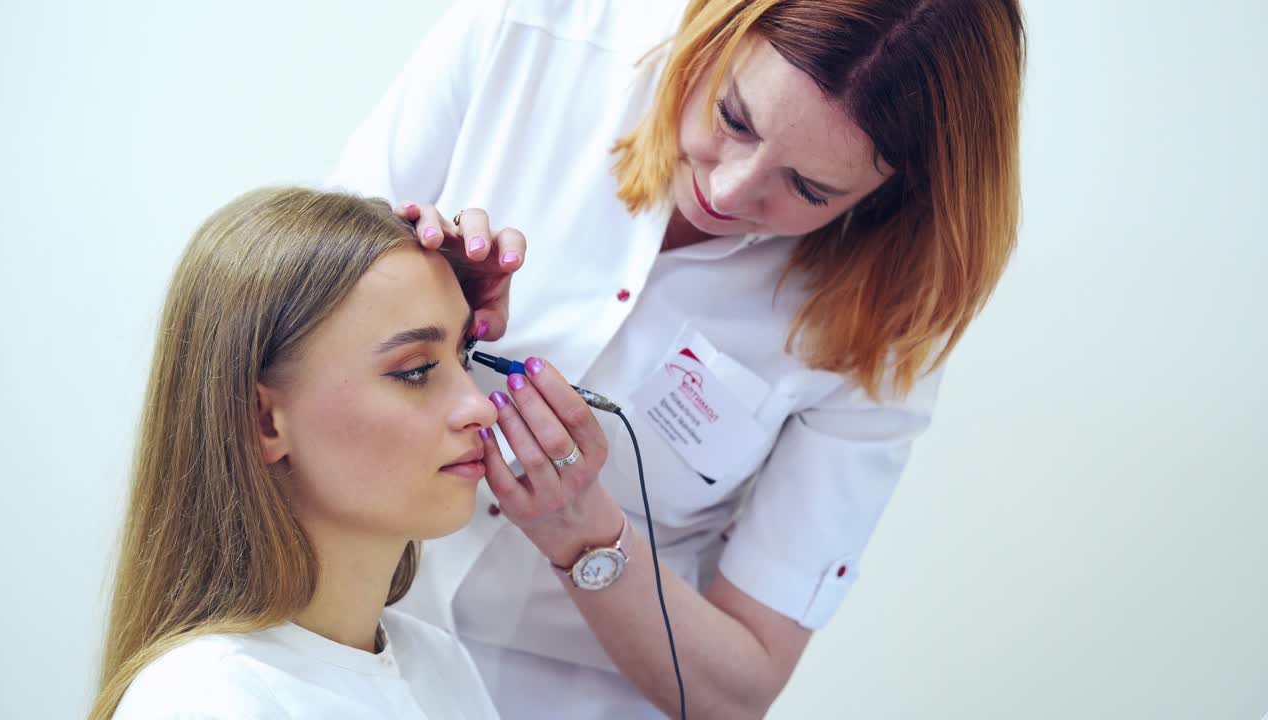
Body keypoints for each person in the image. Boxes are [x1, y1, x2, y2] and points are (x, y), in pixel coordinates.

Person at [329, 0, 1025, 717]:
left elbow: (739, 688)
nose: (729, 191)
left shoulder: (887, 322)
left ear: (896, 193)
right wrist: (406, 294)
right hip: (330, 648)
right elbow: (270, 344)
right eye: (733, 118)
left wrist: (583, 530)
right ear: (717, 30)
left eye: (810, 188)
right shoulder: (530, 34)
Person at [91, 188, 510, 720]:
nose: (480, 407)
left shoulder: (440, 665)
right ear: (265, 420)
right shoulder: (203, 699)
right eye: (415, 370)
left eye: (463, 355)